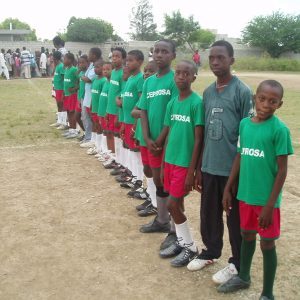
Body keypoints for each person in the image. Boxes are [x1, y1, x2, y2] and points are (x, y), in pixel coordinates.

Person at [218, 80, 293, 300]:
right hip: (245, 195)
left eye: (273, 101)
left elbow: (281, 171)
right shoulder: (245, 125)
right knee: (246, 234)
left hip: (266, 201)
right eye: (262, 99)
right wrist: (228, 187)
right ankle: (243, 276)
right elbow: (240, 156)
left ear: (279, 104)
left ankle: (268, 293)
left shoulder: (279, 130)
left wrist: (270, 205)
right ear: (254, 98)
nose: (266, 105)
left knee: (267, 242)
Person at [187, 40, 253, 285]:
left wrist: (238, 175)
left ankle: (237, 262)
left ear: (231, 61)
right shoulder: (207, 92)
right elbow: (202, 134)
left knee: (234, 217)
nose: (215, 62)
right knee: (208, 213)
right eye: (211, 57)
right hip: (210, 166)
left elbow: (247, 137)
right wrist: (199, 169)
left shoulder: (242, 91)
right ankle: (211, 251)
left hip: (232, 169)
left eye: (220, 58)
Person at [157, 60, 205, 267]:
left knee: (172, 205)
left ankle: (190, 247)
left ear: (194, 77)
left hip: (184, 164)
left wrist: (192, 172)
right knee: (177, 204)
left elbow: (198, 140)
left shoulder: (197, 103)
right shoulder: (172, 103)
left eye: (186, 74)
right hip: (169, 162)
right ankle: (181, 240)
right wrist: (162, 166)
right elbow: (168, 136)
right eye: (178, 73)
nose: (181, 77)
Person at [139, 39, 178, 246]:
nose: (159, 54)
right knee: (158, 181)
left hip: (168, 142)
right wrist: (147, 137)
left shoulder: (175, 80)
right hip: (151, 141)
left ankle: (174, 228)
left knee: (171, 185)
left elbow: (174, 114)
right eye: (156, 51)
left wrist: (161, 138)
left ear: (173, 55)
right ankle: (162, 219)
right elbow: (143, 110)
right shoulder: (149, 81)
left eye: (165, 51)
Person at [131, 61, 158, 217]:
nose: (146, 73)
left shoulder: (157, 88)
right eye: (145, 71)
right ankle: (152, 197)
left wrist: (140, 113)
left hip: (154, 139)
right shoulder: (148, 88)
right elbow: (137, 111)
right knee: (147, 169)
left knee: (155, 172)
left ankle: (156, 203)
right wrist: (137, 132)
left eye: (150, 71)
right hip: (143, 135)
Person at [118, 50, 145, 191]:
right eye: (126, 60)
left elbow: (141, 102)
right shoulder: (130, 78)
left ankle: (139, 181)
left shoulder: (140, 78)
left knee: (136, 152)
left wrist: (135, 124)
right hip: (126, 121)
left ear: (140, 62)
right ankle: (134, 176)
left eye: (131, 60)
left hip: (134, 123)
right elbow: (125, 100)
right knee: (130, 150)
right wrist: (123, 122)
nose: (127, 63)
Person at [104, 47, 127, 164]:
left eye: (117, 56)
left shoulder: (123, 73)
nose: (114, 58)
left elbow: (124, 92)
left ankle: (121, 162)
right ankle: (115, 158)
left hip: (118, 111)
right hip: (110, 110)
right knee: (112, 134)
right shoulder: (113, 72)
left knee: (119, 137)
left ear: (123, 59)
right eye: (113, 56)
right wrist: (108, 111)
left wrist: (118, 114)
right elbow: (111, 93)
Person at [80, 47, 102, 148]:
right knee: (86, 118)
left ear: (94, 55)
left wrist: (82, 77)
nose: (88, 55)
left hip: (91, 98)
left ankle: (91, 139)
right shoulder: (92, 65)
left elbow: (88, 79)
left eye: (89, 53)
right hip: (87, 96)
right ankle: (91, 138)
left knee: (91, 119)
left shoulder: (96, 66)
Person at [87, 59, 107, 156]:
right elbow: (93, 94)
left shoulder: (103, 81)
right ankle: (96, 145)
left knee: (100, 128)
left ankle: (100, 148)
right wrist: (91, 105)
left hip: (100, 110)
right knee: (95, 125)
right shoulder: (95, 79)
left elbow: (103, 97)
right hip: (94, 108)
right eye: (94, 67)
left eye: (98, 67)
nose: (95, 69)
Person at [96, 62, 113, 157]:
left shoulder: (112, 84)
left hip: (108, 113)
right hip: (101, 112)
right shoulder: (106, 82)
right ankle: (106, 150)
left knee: (109, 133)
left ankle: (111, 153)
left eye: (108, 69)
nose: (105, 71)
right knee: (105, 131)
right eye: (104, 69)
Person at [62, 52, 79, 139]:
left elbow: (79, 81)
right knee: (68, 111)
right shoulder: (66, 69)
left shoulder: (74, 69)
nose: (64, 60)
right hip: (67, 94)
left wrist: (75, 88)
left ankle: (74, 130)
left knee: (72, 112)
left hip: (72, 95)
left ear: (70, 60)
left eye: (65, 59)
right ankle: (71, 129)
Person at [50, 51, 67, 128]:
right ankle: (59, 121)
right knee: (59, 105)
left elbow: (64, 78)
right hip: (57, 89)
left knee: (62, 105)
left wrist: (64, 90)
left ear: (55, 58)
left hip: (61, 89)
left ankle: (64, 123)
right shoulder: (57, 66)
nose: (52, 59)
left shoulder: (61, 66)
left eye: (53, 58)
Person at [76, 55, 89, 141]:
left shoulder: (88, 73)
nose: (80, 64)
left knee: (85, 117)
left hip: (86, 98)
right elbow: (79, 85)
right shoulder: (80, 73)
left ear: (87, 63)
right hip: (80, 98)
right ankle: (85, 133)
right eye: (79, 63)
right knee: (80, 117)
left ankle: (88, 136)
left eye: (82, 62)